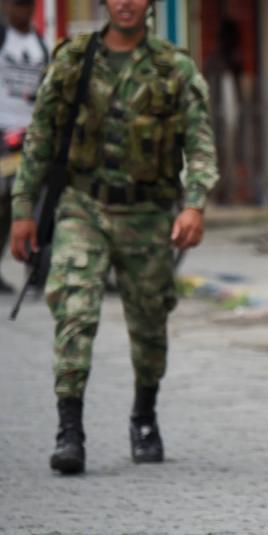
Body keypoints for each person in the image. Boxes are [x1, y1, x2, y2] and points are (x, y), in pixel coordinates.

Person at [9, 0, 217, 474]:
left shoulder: (173, 67)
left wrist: (195, 203)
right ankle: (69, 429)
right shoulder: (73, 59)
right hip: (82, 205)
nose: (126, 3)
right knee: (75, 310)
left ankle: (144, 415)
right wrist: (23, 209)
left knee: (149, 321)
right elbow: (40, 134)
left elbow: (200, 140)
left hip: (147, 213)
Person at [0, 0, 49, 293]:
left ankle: (36, 272)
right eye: (17, 5)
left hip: (32, 137)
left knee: (35, 204)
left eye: (27, 5)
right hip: (3, 136)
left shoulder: (41, 46)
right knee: (3, 203)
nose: (22, 11)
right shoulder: (3, 39)